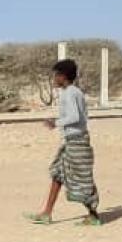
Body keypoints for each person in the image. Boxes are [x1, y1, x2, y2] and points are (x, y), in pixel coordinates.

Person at [27, 57, 101, 226]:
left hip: (77, 142)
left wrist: (56, 123)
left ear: (63, 76)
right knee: (58, 174)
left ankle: (94, 215)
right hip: (70, 141)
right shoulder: (70, 93)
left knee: (82, 179)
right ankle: (47, 213)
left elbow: (75, 117)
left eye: (56, 76)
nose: (54, 79)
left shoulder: (71, 93)